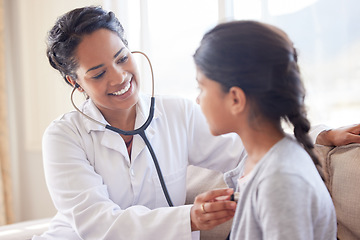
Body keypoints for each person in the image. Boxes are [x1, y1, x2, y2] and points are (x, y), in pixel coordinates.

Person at [36, 5, 360, 240]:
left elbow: (252, 143)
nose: (120, 76)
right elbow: (97, 226)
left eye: (122, 58)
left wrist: (317, 133)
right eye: (98, 73)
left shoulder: (177, 113)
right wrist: (188, 217)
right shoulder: (64, 137)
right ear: (74, 82)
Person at [193, 20, 337, 239]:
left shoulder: (281, 180)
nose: (197, 99)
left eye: (201, 87)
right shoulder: (262, 162)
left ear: (235, 99)